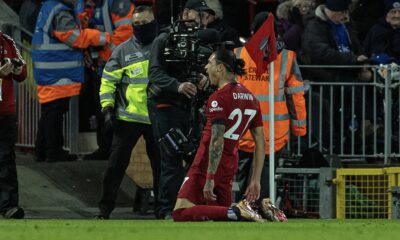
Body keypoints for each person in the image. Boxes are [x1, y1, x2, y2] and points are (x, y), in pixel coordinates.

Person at [172, 48, 266, 222]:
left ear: (220, 68)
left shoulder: (218, 98)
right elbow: (260, 142)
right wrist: (256, 180)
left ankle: (237, 211)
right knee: (220, 218)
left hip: (207, 164)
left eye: (210, 63)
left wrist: (209, 178)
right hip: (230, 163)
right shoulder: (252, 99)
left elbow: (217, 140)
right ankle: (239, 212)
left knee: (180, 213)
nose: (206, 67)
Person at [95, 3, 160, 219]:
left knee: (162, 168)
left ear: (154, 22)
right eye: (137, 24)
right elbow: (107, 82)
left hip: (157, 116)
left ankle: (165, 210)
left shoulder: (164, 46)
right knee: (115, 167)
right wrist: (107, 109)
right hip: (128, 118)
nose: (141, 27)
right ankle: (104, 211)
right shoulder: (122, 50)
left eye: (145, 23)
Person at [234, 12, 307, 202]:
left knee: (241, 173)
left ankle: (242, 208)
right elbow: (295, 96)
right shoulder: (287, 58)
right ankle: (261, 207)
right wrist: (299, 129)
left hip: (242, 128)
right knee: (265, 173)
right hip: (274, 132)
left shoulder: (238, 54)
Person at [147, 11, 211, 219]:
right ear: (185, 13)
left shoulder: (200, 40)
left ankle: (185, 207)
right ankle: (166, 210)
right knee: (171, 158)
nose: (202, 19)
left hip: (189, 107)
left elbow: (199, 69)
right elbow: (155, 73)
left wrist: (204, 78)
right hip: (165, 106)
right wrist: (177, 85)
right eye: (198, 14)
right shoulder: (164, 39)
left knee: (192, 157)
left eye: (205, 15)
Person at [32, 0, 111, 162]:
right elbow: (75, 38)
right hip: (56, 71)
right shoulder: (60, 11)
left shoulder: (51, 7)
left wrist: (79, 22)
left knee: (50, 111)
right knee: (54, 111)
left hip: (50, 70)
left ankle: (42, 151)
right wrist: (103, 37)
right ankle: (54, 152)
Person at [82, 0, 134, 160]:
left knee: (115, 108)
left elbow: (126, 33)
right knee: (101, 109)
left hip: (116, 66)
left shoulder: (119, 4)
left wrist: (103, 52)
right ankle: (105, 147)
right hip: (97, 67)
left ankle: (115, 149)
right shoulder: (89, 5)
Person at [0, 31, 27, 219]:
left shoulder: (7, 41)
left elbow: (22, 69)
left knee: (6, 159)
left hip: (5, 112)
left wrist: (18, 70)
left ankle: (8, 205)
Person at [363, 0, 400, 64]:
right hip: (382, 69)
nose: (397, 15)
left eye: (399, 12)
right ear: (387, 14)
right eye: (393, 12)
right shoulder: (377, 30)